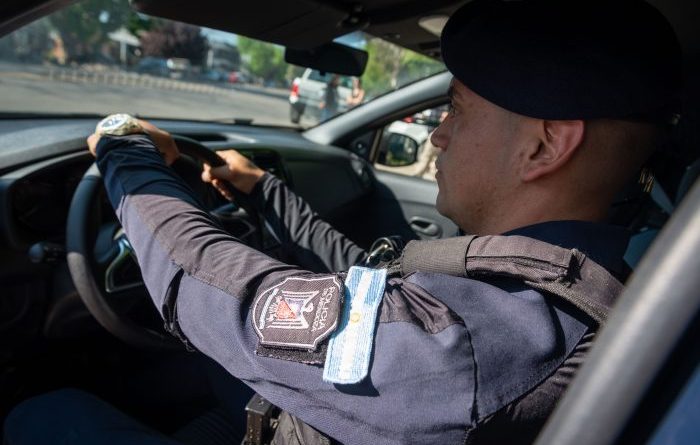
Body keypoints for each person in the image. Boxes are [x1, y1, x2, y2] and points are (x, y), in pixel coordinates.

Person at [4, 1, 682, 444]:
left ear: (544, 146)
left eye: (457, 108)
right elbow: (369, 291)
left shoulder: (475, 345)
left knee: (43, 412)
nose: (438, 135)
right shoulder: (549, 280)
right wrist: (262, 190)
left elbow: (218, 292)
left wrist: (124, 148)